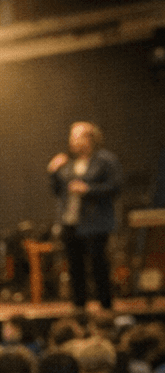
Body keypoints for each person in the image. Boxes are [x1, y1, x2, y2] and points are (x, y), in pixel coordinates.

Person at [48, 121, 120, 310]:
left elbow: (116, 187)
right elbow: (57, 191)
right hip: (70, 222)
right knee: (75, 267)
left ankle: (105, 307)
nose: (71, 141)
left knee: (98, 266)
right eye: (71, 136)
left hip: (95, 223)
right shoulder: (69, 163)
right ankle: (79, 307)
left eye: (76, 136)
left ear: (90, 138)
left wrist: (88, 189)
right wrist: (53, 172)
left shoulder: (105, 160)